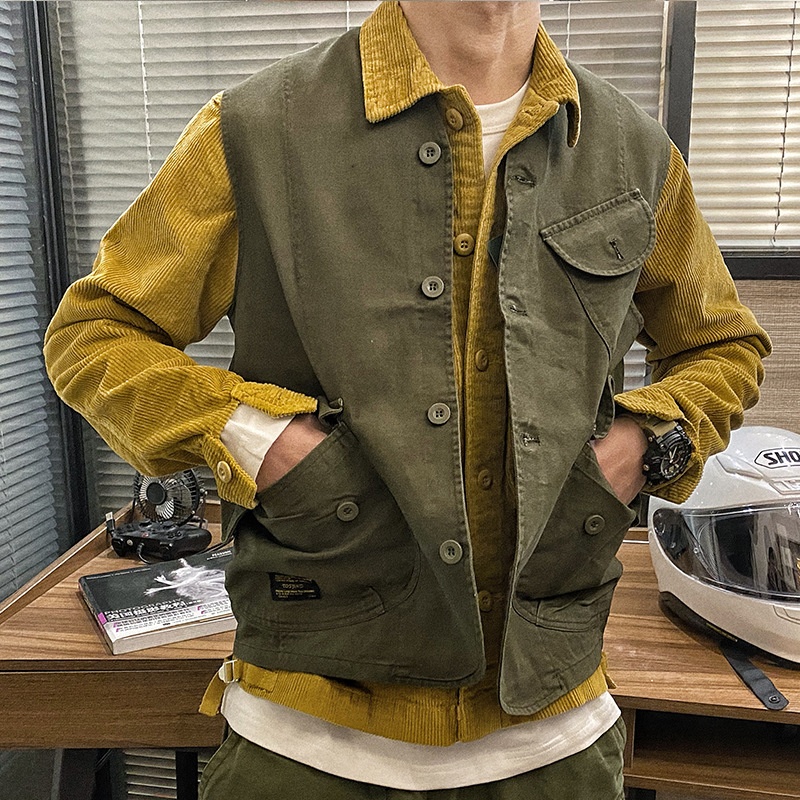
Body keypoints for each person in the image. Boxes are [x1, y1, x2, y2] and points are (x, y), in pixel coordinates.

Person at [44, 2, 771, 798]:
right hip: (303, 737)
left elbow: (721, 346)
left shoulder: (634, 151)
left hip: (556, 733)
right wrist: (260, 438)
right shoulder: (255, 131)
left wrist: (641, 445)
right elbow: (96, 335)